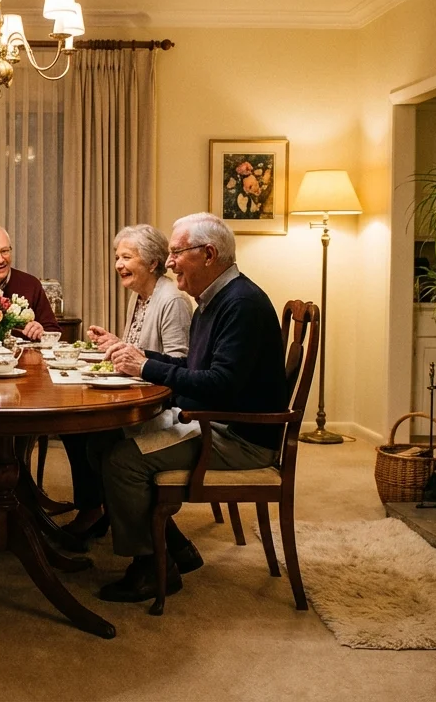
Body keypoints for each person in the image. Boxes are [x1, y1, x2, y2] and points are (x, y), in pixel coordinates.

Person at [87, 212, 288, 603]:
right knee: (101, 441)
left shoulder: (241, 305)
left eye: (178, 252)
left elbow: (220, 385)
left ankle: (150, 568)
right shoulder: (212, 302)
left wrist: (146, 367)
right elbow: (197, 370)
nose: (170, 261)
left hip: (238, 436)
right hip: (216, 422)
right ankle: (173, 546)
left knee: (121, 461)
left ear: (209, 254)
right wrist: (141, 356)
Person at [60, 224, 192, 545]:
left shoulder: (171, 301)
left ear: (152, 262)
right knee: (86, 436)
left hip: (165, 410)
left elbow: (179, 365)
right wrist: (114, 343)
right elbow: (140, 350)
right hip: (139, 397)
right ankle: (109, 512)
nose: (119, 264)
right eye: (117, 257)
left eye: (127, 257)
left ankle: (144, 532)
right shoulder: (141, 296)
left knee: (96, 440)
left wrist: (133, 357)